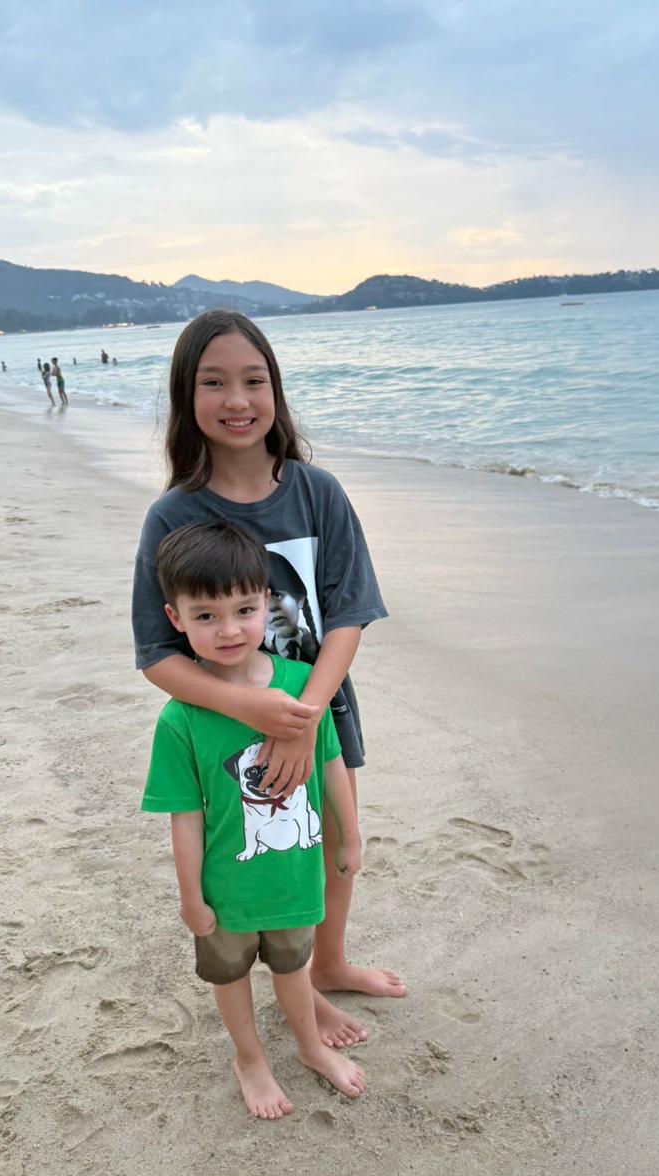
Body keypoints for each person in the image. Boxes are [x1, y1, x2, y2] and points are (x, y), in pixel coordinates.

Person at [132, 310, 406, 1053]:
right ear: (187, 398)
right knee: (252, 851)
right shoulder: (174, 515)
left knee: (334, 840)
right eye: (213, 382)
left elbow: (349, 614)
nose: (237, 399)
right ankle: (283, 979)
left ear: (276, 391)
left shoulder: (317, 492)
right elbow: (157, 652)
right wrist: (253, 708)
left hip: (319, 704)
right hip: (226, 722)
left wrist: (305, 713)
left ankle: (330, 963)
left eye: (254, 380)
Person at [142, 521, 366, 1118]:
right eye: (205, 615)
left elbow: (334, 761)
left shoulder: (300, 686)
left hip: (295, 878)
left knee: (296, 967)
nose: (228, 629)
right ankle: (250, 1059)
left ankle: (311, 1047)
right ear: (175, 618)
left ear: (267, 604)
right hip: (227, 888)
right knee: (231, 976)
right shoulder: (182, 718)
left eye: (243, 609)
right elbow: (184, 817)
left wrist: (351, 834)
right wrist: (191, 897)